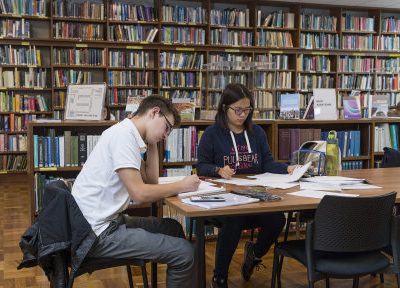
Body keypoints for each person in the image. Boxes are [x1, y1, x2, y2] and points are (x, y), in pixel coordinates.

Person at [72, 95, 200, 287]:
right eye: (167, 128)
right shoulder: (124, 136)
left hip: (103, 222)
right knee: (185, 253)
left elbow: (151, 180)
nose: (166, 135)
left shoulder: (129, 134)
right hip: (94, 234)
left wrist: (154, 141)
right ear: (154, 112)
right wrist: (183, 185)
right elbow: (140, 195)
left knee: (171, 228)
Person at [197, 84, 298, 288]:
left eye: (247, 110)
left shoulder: (257, 133)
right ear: (224, 107)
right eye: (238, 110)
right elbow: (201, 166)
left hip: (254, 196)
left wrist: (287, 169)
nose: (242, 115)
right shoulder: (212, 134)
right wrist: (218, 170)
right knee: (234, 220)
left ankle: (254, 255)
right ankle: (220, 276)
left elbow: (267, 163)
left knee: (277, 219)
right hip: (223, 200)